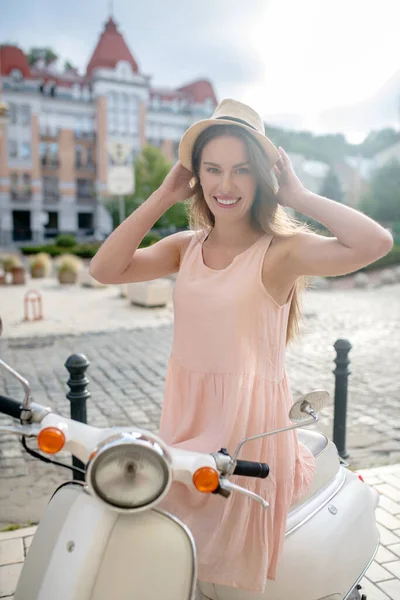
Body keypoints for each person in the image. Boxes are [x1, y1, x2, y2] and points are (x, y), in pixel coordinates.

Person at [89, 99, 393, 593]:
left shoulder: (280, 252)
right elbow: (104, 269)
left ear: (262, 178)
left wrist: (298, 194)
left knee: (226, 577)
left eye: (241, 170)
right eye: (212, 169)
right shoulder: (185, 247)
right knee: (171, 561)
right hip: (185, 424)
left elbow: (374, 243)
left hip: (247, 434)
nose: (225, 185)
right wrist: (162, 196)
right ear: (196, 176)